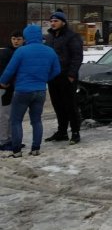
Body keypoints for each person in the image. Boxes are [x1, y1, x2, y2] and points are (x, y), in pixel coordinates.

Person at [0, 25, 60, 157]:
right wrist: (44, 79)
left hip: (22, 90)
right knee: (36, 120)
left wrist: (3, 82)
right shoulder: (49, 51)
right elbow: (57, 70)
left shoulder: (21, 51)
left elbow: (10, 70)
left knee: (16, 121)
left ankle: (16, 150)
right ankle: (35, 148)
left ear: (26, 37)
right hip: (40, 90)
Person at [44, 9, 84, 145]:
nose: (53, 23)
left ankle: (75, 132)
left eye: (56, 21)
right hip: (52, 77)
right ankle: (62, 132)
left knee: (70, 105)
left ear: (63, 22)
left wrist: (72, 75)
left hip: (66, 77)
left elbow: (77, 57)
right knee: (58, 105)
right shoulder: (49, 37)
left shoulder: (72, 36)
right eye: (51, 21)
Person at [0, 30, 24, 151]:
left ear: (23, 40)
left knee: (14, 116)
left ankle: (12, 139)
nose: (16, 41)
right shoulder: (6, 52)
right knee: (5, 115)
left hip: (19, 88)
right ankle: (3, 141)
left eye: (18, 39)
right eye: (14, 39)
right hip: (6, 88)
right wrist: (4, 83)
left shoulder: (23, 52)